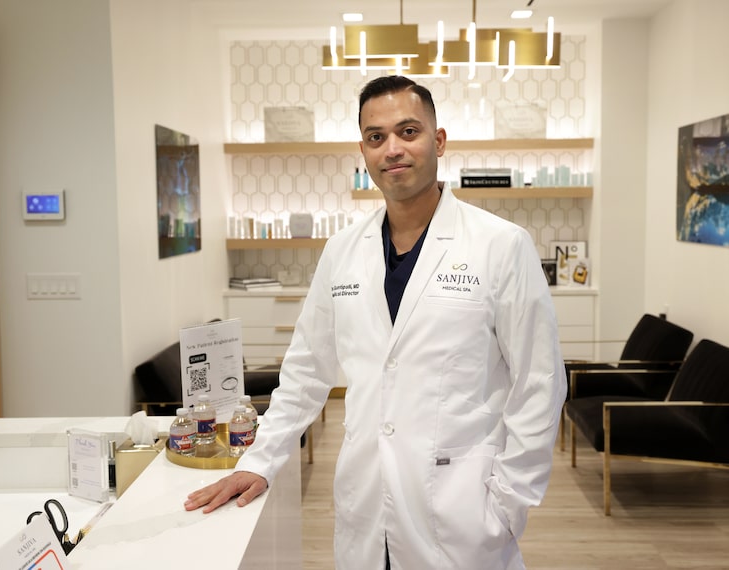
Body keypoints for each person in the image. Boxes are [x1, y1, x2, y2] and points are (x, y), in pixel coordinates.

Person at [185, 75, 567, 569]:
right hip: (366, 503)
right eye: (376, 137)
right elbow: (305, 372)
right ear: (363, 152)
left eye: (409, 132)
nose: (393, 149)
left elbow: (539, 384)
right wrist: (261, 460)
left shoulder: (500, 245)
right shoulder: (342, 251)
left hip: (464, 510)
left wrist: (511, 503)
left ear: (439, 140)